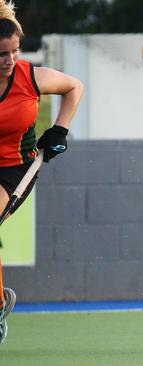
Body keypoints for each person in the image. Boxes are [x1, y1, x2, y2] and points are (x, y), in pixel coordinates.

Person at [0, 0, 83, 345]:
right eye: (2, 54)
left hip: (16, 168)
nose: (10, 60)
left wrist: (60, 130)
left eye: (15, 51)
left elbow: (74, 87)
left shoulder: (29, 76)